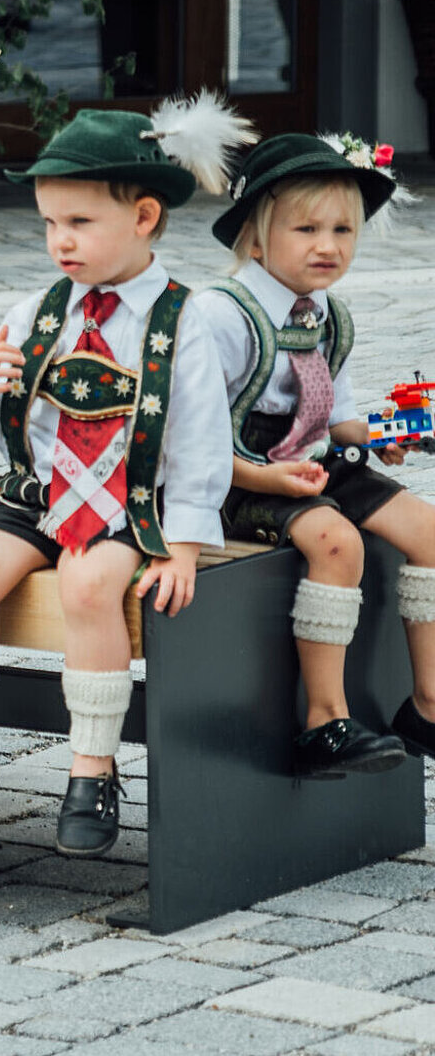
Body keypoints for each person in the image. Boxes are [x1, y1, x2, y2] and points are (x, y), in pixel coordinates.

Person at [0, 96, 250, 858]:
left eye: (80, 222)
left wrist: (185, 544)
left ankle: (92, 769)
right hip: (40, 492)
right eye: (50, 222)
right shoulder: (38, 311)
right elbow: (4, 423)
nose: (61, 239)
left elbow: (200, 440)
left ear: (145, 216)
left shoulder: (184, 321)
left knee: (90, 589)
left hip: (130, 500)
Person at [190, 132, 435, 773]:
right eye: (307, 229)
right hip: (238, 472)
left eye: (343, 230)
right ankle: (325, 720)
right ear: (256, 238)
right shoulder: (221, 314)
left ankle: (428, 705)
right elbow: (193, 441)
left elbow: (338, 418)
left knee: (429, 530)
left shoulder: (327, 315)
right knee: (338, 543)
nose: (328, 246)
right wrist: (266, 478)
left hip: (313, 462)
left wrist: (385, 434)